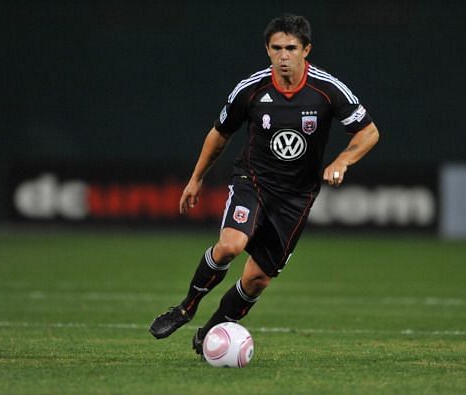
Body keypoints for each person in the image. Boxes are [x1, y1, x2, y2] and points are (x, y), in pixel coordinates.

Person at [149, 14, 380, 356]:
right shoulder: (251, 89)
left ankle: (212, 330)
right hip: (252, 182)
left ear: (306, 50)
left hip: (296, 198)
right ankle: (185, 307)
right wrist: (196, 178)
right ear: (267, 50)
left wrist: (341, 161)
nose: (283, 55)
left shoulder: (327, 89)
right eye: (276, 48)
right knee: (230, 246)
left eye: (291, 48)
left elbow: (369, 131)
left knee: (257, 280)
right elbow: (220, 134)